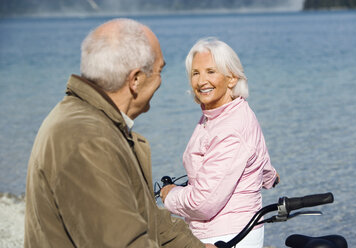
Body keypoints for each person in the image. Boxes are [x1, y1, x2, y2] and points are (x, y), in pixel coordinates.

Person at [24, 18, 216, 248]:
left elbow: (144, 215)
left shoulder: (98, 123)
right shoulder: (88, 140)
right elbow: (122, 243)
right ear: (135, 80)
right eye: (159, 71)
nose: (160, 81)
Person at [160, 38, 280, 248]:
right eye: (195, 73)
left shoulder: (230, 128)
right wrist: (269, 177)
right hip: (224, 231)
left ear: (232, 78)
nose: (201, 81)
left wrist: (169, 195)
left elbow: (203, 203)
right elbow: (255, 157)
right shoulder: (224, 113)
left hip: (226, 237)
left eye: (210, 71)